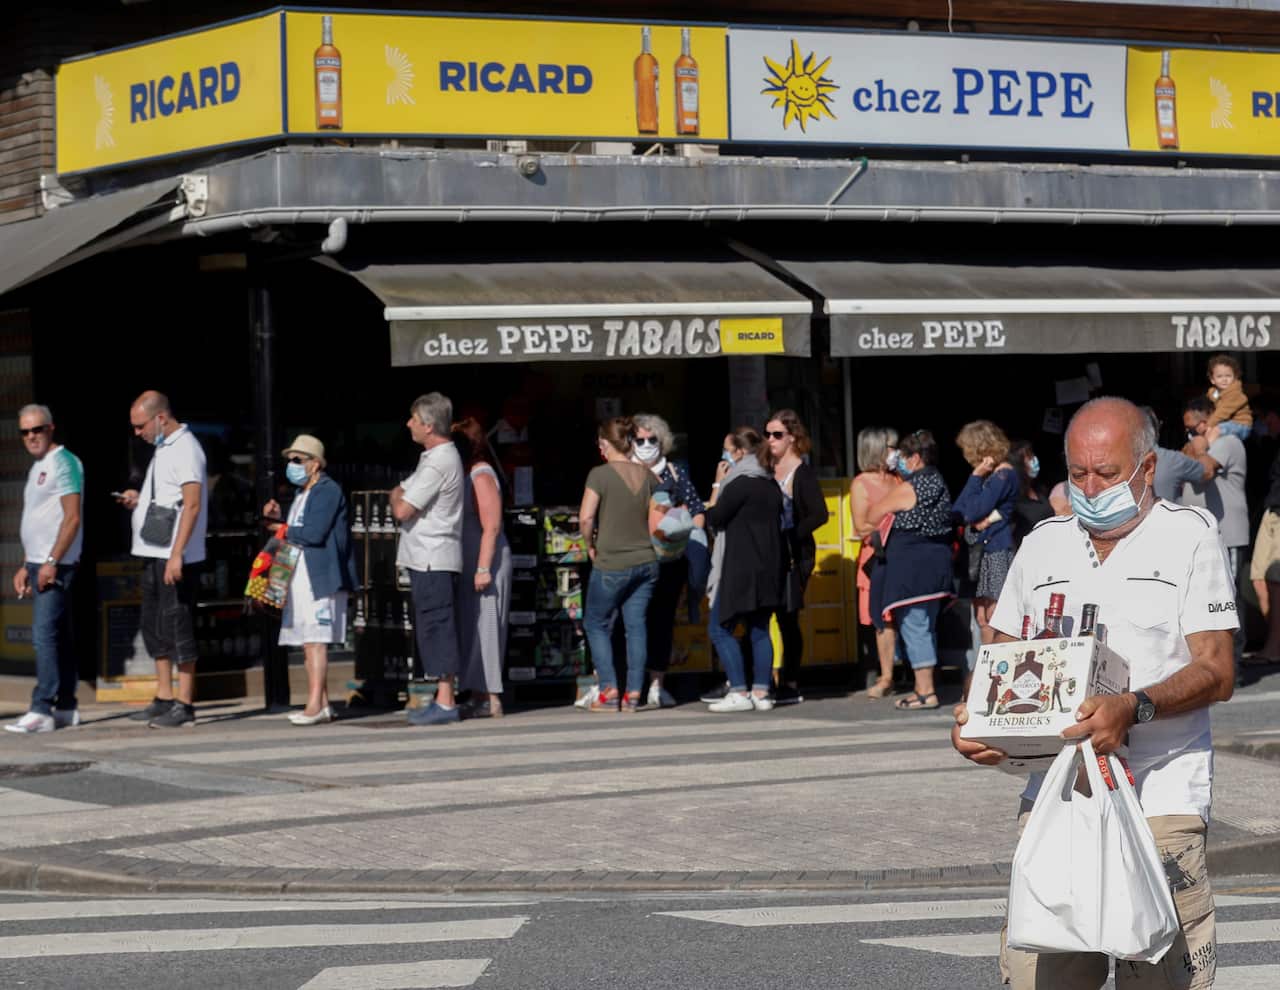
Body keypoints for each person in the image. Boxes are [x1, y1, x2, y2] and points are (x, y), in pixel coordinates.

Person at [952, 396, 1235, 990]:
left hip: (1162, 793)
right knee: (1040, 976)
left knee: (1160, 977)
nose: (1089, 486)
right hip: (1059, 796)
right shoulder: (1043, 544)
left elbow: (1217, 669)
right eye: (1077, 473)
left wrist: (1132, 707)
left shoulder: (1189, 537)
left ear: (1147, 468)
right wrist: (976, 720)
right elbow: (999, 658)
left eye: (1106, 473)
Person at [118, 391, 207, 729]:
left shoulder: (186, 448)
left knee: (177, 625)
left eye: (140, 425)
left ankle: (185, 703)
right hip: (153, 552)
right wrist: (139, 501)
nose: (137, 432)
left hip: (172, 555)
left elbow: (193, 503)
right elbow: (169, 498)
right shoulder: (164, 448)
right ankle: (164, 696)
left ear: (160, 418)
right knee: (154, 624)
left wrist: (177, 554)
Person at [262, 435, 357, 727]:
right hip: (300, 575)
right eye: (290, 460)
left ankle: (314, 704)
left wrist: (282, 527)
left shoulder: (327, 491)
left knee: (315, 641)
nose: (292, 466)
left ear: (315, 464)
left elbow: (313, 533)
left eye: (298, 460)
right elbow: (301, 528)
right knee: (307, 642)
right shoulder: (304, 493)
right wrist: (283, 520)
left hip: (319, 577)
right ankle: (322, 703)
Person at [5, 404, 83, 734]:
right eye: (25, 431)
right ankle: (66, 705)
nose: (31, 436)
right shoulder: (37, 467)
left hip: (56, 563)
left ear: (50, 428)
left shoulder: (64, 462)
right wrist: (27, 563)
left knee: (43, 636)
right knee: (58, 637)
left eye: (37, 429)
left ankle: (42, 708)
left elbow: (72, 517)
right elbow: (37, 521)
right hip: (40, 561)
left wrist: (51, 562)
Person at [391, 392, 465, 727]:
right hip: (427, 557)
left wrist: (397, 495)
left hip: (433, 556)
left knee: (437, 625)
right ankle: (442, 697)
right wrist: (400, 493)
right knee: (432, 624)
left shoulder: (439, 461)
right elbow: (404, 493)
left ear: (429, 425)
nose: (408, 424)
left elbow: (403, 506)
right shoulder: (432, 457)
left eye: (414, 419)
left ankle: (447, 701)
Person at [868, 429, 953, 711]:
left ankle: (926, 691)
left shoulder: (911, 487)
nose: (899, 461)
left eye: (903, 456)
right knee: (925, 627)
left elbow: (872, 514)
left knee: (914, 627)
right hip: (935, 565)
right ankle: (922, 687)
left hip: (912, 569)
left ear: (915, 458)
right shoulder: (938, 482)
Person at [580, 417, 658, 712]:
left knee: (596, 623)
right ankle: (634, 693)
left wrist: (589, 544)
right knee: (636, 627)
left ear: (604, 444)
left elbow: (586, 517)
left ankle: (610, 689)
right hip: (647, 562)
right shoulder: (647, 475)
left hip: (612, 561)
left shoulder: (599, 475)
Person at [704, 427, 783, 712]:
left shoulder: (737, 484)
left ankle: (738, 690)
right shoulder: (770, 483)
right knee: (760, 629)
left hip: (739, 568)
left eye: (727, 448)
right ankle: (762, 693)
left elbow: (714, 517)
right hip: (768, 567)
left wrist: (716, 485)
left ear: (738, 452)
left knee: (719, 628)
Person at [633, 412, 705, 708]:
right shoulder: (624, 474)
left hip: (668, 562)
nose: (647, 445)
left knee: (662, 622)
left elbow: (698, 510)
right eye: (640, 439)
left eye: (652, 439)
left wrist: (687, 532)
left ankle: (656, 684)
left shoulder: (674, 474)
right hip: (634, 559)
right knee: (634, 622)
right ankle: (632, 684)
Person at [765, 409, 828, 706]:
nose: (771, 440)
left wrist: (792, 533)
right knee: (761, 615)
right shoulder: (765, 467)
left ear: (792, 437)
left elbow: (819, 514)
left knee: (788, 617)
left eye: (777, 434)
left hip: (794, 555)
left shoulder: (801, 472)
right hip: (766, 554)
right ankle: (763, 678)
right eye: (768, 434)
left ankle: (789, 680)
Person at [1183, 395, 1249, 678]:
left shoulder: (1227, 442)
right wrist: (1195, 445)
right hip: (1200, 536)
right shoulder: (1200, 443)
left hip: (1228, 534)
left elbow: (1205, 470)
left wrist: (1198, 448)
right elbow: (1181, 459)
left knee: (1229, 599)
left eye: (1193, 427)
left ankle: (1233, 663)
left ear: (1205, 421)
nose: (1190, 433)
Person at [453, 416, 510, 719]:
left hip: (485, 560)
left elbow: (492, 525)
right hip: (472, 559)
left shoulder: (481, 474)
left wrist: (483, 568)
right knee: (473, 628)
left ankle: (492, 696)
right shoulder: (468, 473)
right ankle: (477, 693)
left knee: (487, 627)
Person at [952, 421, 1019, 646]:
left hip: (995, 549)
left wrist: (976, 478)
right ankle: (984, 667)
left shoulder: (1003, 475)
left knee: (994, 614)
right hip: (979, 552)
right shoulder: (986, 477)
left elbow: (973, 511)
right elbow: (959, 511)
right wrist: (976, 475)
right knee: (982, 617)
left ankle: (994, 670)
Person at [849, 426, 901, 699]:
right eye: (891, 447)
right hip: (877, 556)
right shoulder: (860, 483)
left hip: (903, 554)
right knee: (884, 619)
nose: (896, 453)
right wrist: (892, 523)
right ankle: (886, 675)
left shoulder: (898, 478)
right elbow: (861, 526)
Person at [1249, 446, 1280, 662]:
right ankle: (1275, 645)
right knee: (1258, 578)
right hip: (1271, 509)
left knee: (1275, 578)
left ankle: (1273, 648)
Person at [1141, 406, 1203, 504]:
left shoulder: (1120, 459)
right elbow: (1206, 472)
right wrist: (1200, 450)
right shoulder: (1173, 459)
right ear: (1157, 427)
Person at [1005, 439, 1053, 548]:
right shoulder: (1013, 498)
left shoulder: (1039, 490)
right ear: (1018, 464)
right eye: (1029, 457)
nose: (1034, 460)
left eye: (1033, 455)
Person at [1204, 353, 1252, 442]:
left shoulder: (1236, 394)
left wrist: (1208, 424)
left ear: (1235, 377)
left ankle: (1207, 452)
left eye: (1228, 376)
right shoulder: (1214, 393)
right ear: (1212, 380)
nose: (1224, 379)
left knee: (1215, 430)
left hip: (1241, 425)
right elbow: (1206, 405)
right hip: (1225, 423)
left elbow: (1223, 411)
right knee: (1204, 432)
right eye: (1219, 376)